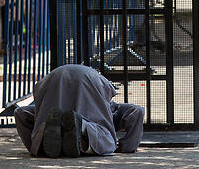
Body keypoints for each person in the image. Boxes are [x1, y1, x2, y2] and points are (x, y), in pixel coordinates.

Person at [14, 64, 145, 158]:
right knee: (105, 141)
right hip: (89, 78)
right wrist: (126, 147)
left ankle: (43, 138)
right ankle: (82, 126)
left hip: (53, 77)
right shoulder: (114, 110)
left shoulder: (112, 109)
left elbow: (20, 113)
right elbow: (137, 111)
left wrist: (34, 147)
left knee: (41, 117)